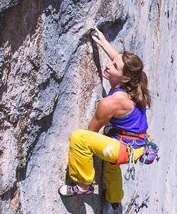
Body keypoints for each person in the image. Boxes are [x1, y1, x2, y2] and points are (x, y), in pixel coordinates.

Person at [59, 27, 151, 203]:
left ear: (124, 79)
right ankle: (115, 198)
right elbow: (120, 62)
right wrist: (102, 41)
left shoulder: (111, 103)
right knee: (111, 166)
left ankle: (83, 186)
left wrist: (84, 157)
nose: (109, 65)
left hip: (125, 148)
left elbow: (91, 133)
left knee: (79, 138)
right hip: (137, 143)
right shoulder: (133, 80)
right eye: (112, 61)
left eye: (114, 66)